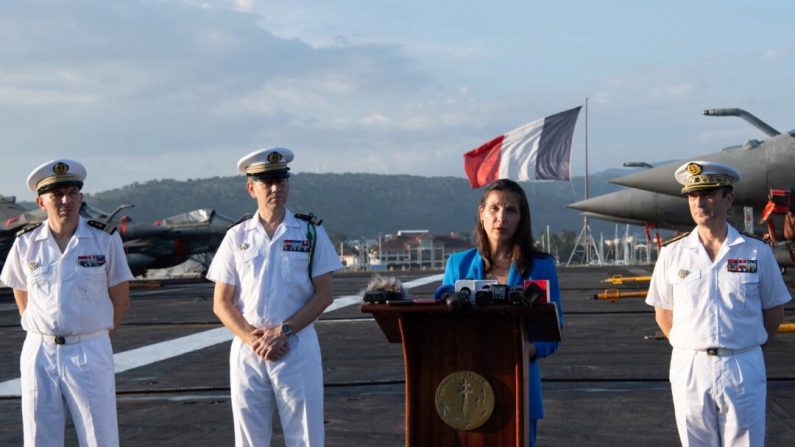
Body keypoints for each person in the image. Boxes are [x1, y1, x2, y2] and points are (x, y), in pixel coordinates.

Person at [646, 161, 791, 446]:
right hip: (691, 365)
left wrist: (743, 344)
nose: (699, 203)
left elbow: (774, 313)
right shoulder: (672, 254)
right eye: (692, 196)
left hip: (742, 362)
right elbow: (663, 312)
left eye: (709, 194)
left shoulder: (756, 252)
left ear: (729, 198)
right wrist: (690, 344)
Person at [207, 147, 342, 447]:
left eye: (281, 180)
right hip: (248, 348)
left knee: (305, 437)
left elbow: (325, 295)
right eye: (266, 182)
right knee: (249, 440)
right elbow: (222, 302)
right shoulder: (237, 236)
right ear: (250, 187)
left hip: (295, 344)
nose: (275, 189)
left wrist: (283, 331)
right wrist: (252, 338)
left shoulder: (310, 233)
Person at [0, 159, 132, 446]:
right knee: (38, 436)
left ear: (81, 198)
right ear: (41, 201)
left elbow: (120, 299)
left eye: (73, 193)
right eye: (57, 194)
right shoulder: (26, 242)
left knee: (100, 436)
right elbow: (20, 289)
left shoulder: (103, 239)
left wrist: (94, 334)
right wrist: (40, 327)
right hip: (39, 350)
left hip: (89, 347)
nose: (65, 200)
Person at [441, 178, 563, 447]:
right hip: (466, 382)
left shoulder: (541, 266)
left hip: (519, 382)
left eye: (511, 210)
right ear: (481, 213)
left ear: (521, 218)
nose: (501, 217)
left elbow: (553, 332)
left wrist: (522, 349)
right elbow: (440, 321)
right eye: (494, 208)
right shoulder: (457, 264)